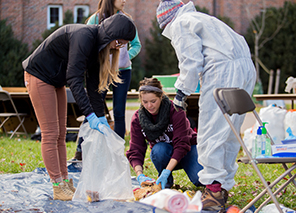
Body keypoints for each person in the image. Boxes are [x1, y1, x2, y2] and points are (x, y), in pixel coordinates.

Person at [22, 14, 136, 201]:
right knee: (51, 133)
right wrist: (90, 115)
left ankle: (65, 182)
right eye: (120, 42)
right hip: (39, 75)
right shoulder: (84, 37)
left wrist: (101, 118)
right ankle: (57, 185)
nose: (120, 47)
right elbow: (74, 78)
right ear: (112, 35)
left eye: (123, 44)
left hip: (56, 79)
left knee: (61, 132)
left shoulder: (99, 49)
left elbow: (93, 87)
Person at [156, 0, 256, 211]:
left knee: (210, 132)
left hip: (222, 72)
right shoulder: (204, 19)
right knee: (229, 132)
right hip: (245, 67)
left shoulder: (182, 23)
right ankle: (222, 187)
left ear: (168, 22)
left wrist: (181, 92)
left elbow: (190, 61)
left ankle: (213, 190)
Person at [72, 0, 141, 161]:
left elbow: (136, 45)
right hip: (99, 72)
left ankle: (116, 154)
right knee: (94, 108)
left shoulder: (126, 21)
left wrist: (121, 60)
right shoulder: (94, 20)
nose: (124, 1)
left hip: (122, 72)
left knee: (119, 112)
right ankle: (80, 152)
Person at [126, 78, 203, 190]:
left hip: (187, 150)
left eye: (153, 101)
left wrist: (167, 171)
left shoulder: (176, 110)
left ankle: (167, 174)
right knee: (158, 150)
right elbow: (135, 149)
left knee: (199, 179)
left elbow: (182, 144)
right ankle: (166, 182)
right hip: (164, 153)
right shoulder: (138, 119)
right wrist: (139, 175)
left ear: (161, 96)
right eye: (145, 102)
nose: (149, 106)